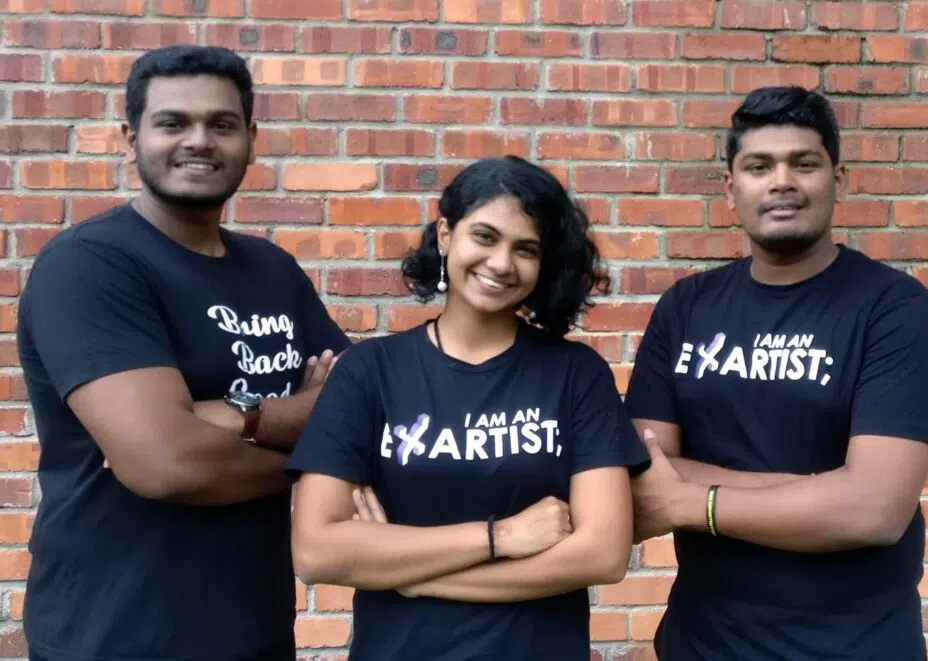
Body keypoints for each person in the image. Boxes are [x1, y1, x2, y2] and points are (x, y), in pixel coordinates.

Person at [16, 45, 350, 661]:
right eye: (173, 123)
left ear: (250, 138)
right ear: (130, 135)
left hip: (254, 629)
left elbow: (359, 410)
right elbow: (165, 464)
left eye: (221, 125)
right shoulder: (90, 266)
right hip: (116, 635)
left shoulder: (273, 270)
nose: (199, 141)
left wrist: (226, 418)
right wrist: (311, 450)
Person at [625, 86, 928, 661]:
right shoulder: (685, 309)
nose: (782, 181)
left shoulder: (893, 308)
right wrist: (826, 491)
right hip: (702, 643)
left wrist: (690, 502)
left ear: (838, 180)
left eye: (804, 163)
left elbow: (873, 511)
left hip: (855, 646)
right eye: (759, 166)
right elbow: (644, 474)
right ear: (731, 188)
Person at [285, 155, 650, 661]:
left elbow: (603, 554)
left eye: (526, 249)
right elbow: (316, 551)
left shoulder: (575, 374)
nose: (502, 263)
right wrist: (502, 536)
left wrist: (411, 573)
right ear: (444, 235)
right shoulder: (369, 371)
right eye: (484, 236)